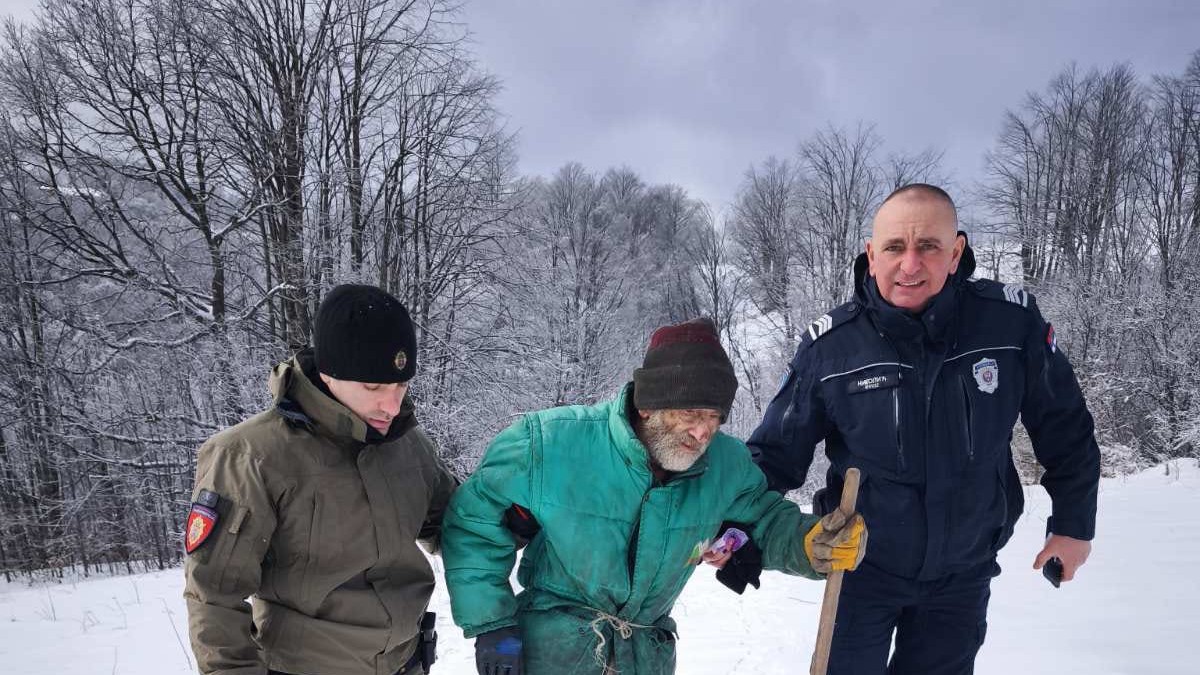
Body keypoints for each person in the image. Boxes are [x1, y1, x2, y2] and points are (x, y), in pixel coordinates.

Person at [747, 184, 1101, 674]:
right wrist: (739, 533)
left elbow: (1066, 426)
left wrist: (1073, 524)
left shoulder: (1009, 326)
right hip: (860, 570)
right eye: (894, 247)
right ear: (871, 255)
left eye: (928, 247)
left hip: (963, 574)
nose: (910, 265)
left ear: (955, 252)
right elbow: (771, 458)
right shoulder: (831, 349)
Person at [441, 318, 868, 675]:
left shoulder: (725, 466)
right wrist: (492, 624)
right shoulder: (549, 443)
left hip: (645, 657)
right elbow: (475, 524)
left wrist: (811, 543)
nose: (702, 433)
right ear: (648, 405)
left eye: (715, 419)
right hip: (552, 653)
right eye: (690, 414)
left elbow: (765, 521)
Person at [183, 284, 458, 675]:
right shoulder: (250, 456)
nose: (392, 405)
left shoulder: (408, 445)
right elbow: (214, 595)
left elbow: (456, 526)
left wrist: (516, 510)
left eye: (401, 385)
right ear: (330, 374)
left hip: (405, 663)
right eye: (374, 386)